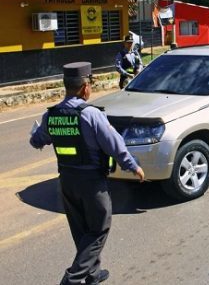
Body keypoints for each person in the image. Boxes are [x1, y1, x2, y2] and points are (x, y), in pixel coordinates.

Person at [29, 62, 145, 285]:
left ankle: (93, 273)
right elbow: (115, 145)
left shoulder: (51, 115)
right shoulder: (91, 114)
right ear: (84, 88)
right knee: (100, 227)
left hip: (66, 182)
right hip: (91, 183)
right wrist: (133, 166)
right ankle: (72, 279)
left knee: (82, 230)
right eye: (90, 83)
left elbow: (37, 141)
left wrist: (35, 135)